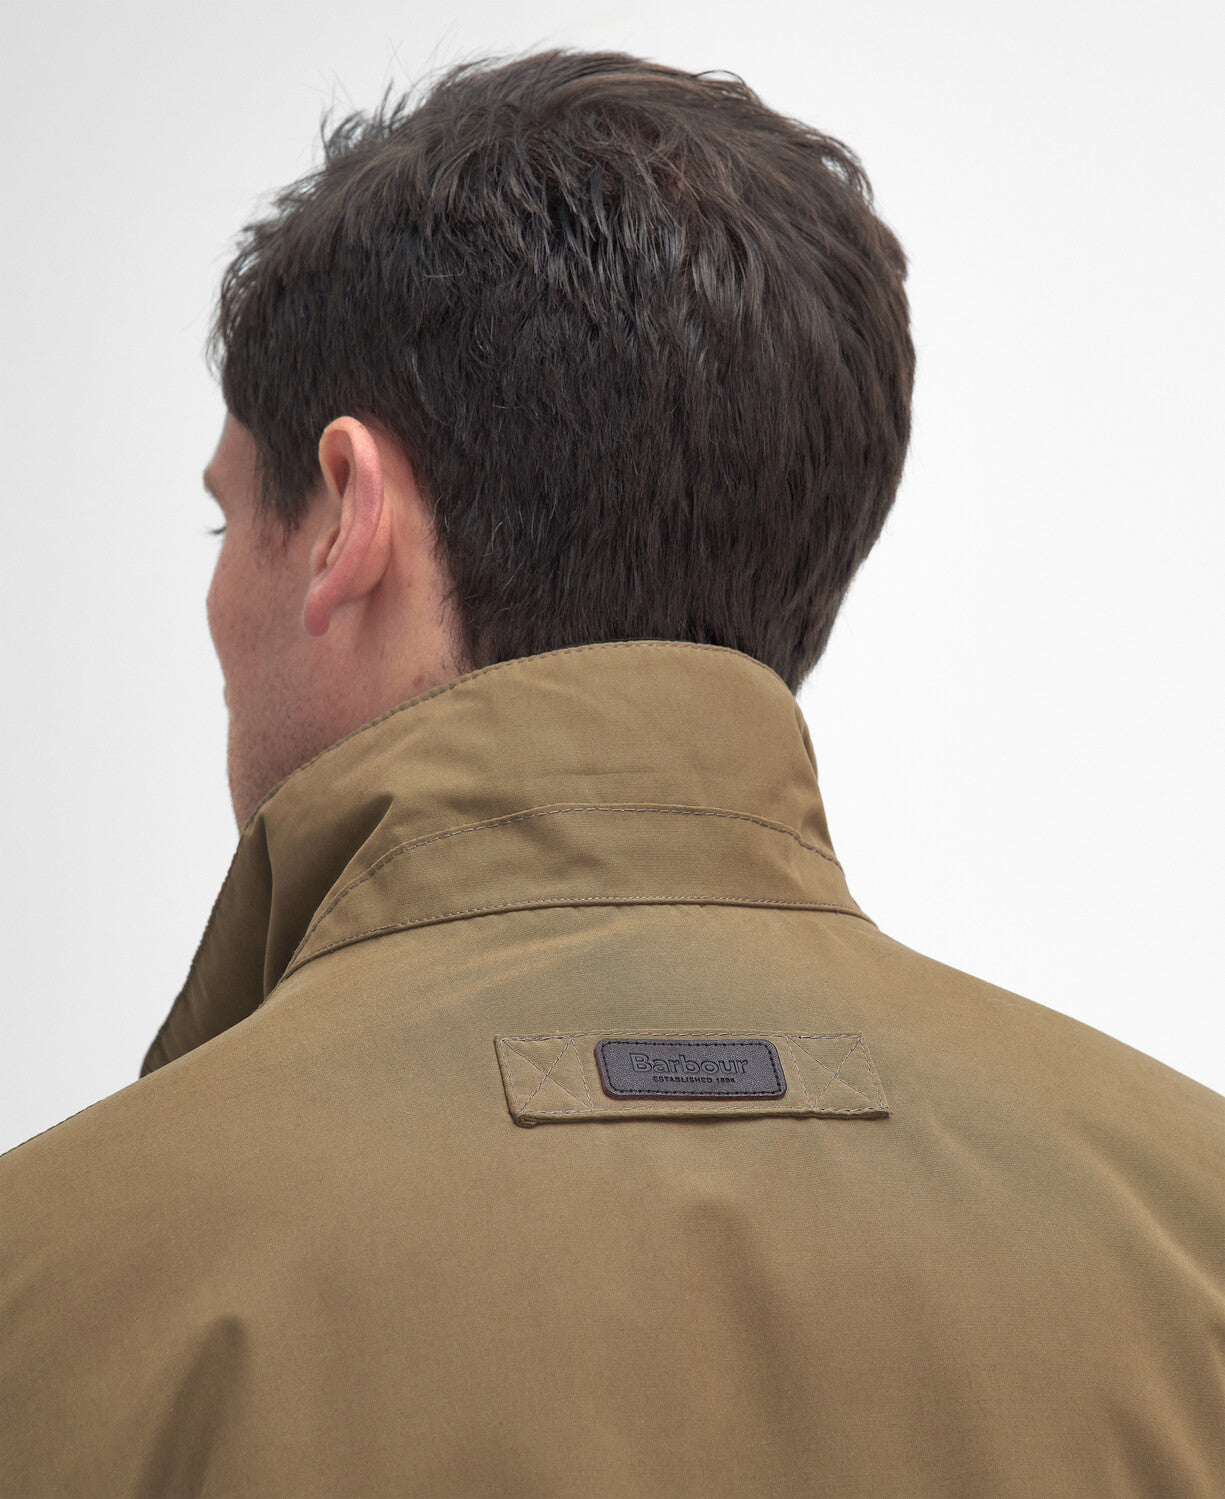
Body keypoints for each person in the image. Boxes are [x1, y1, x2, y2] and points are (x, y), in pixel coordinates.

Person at [1, 46, 1221, 1499]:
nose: (215, 603)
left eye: (225, 527)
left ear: (346, 515)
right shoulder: (1190, 1241)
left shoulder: (49, 1291)